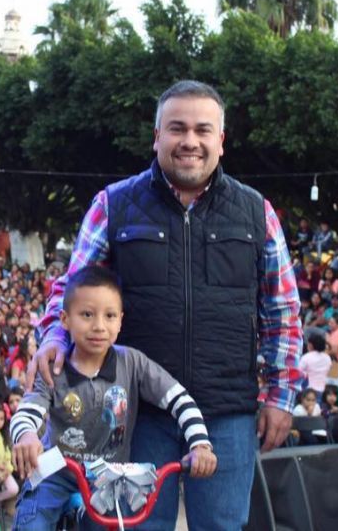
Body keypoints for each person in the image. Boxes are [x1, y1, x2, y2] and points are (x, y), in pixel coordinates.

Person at [30, 80, 302, 530]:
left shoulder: (257, 212)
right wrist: (55, 338)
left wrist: (280, 396)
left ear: (221, 141)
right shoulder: (113, 206)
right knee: (130, 526)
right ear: (157, 137)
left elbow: (282, 311)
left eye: (202, 129)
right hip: (135, 416)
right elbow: (71, 290)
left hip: (226, 414)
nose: (190, 141)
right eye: (177, 128)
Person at [13, 266, 217, 530]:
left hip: (106, 477)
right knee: (32, 521)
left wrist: (200, 444)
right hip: (56, 471)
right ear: (65, 319)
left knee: (117, 524)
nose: (99, 326)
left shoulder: (132, 363)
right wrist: (26, 435)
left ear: (120, 321)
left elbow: (179, 399)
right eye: (87, 314)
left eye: (109, 316)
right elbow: (28, 409)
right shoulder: (54, 367)